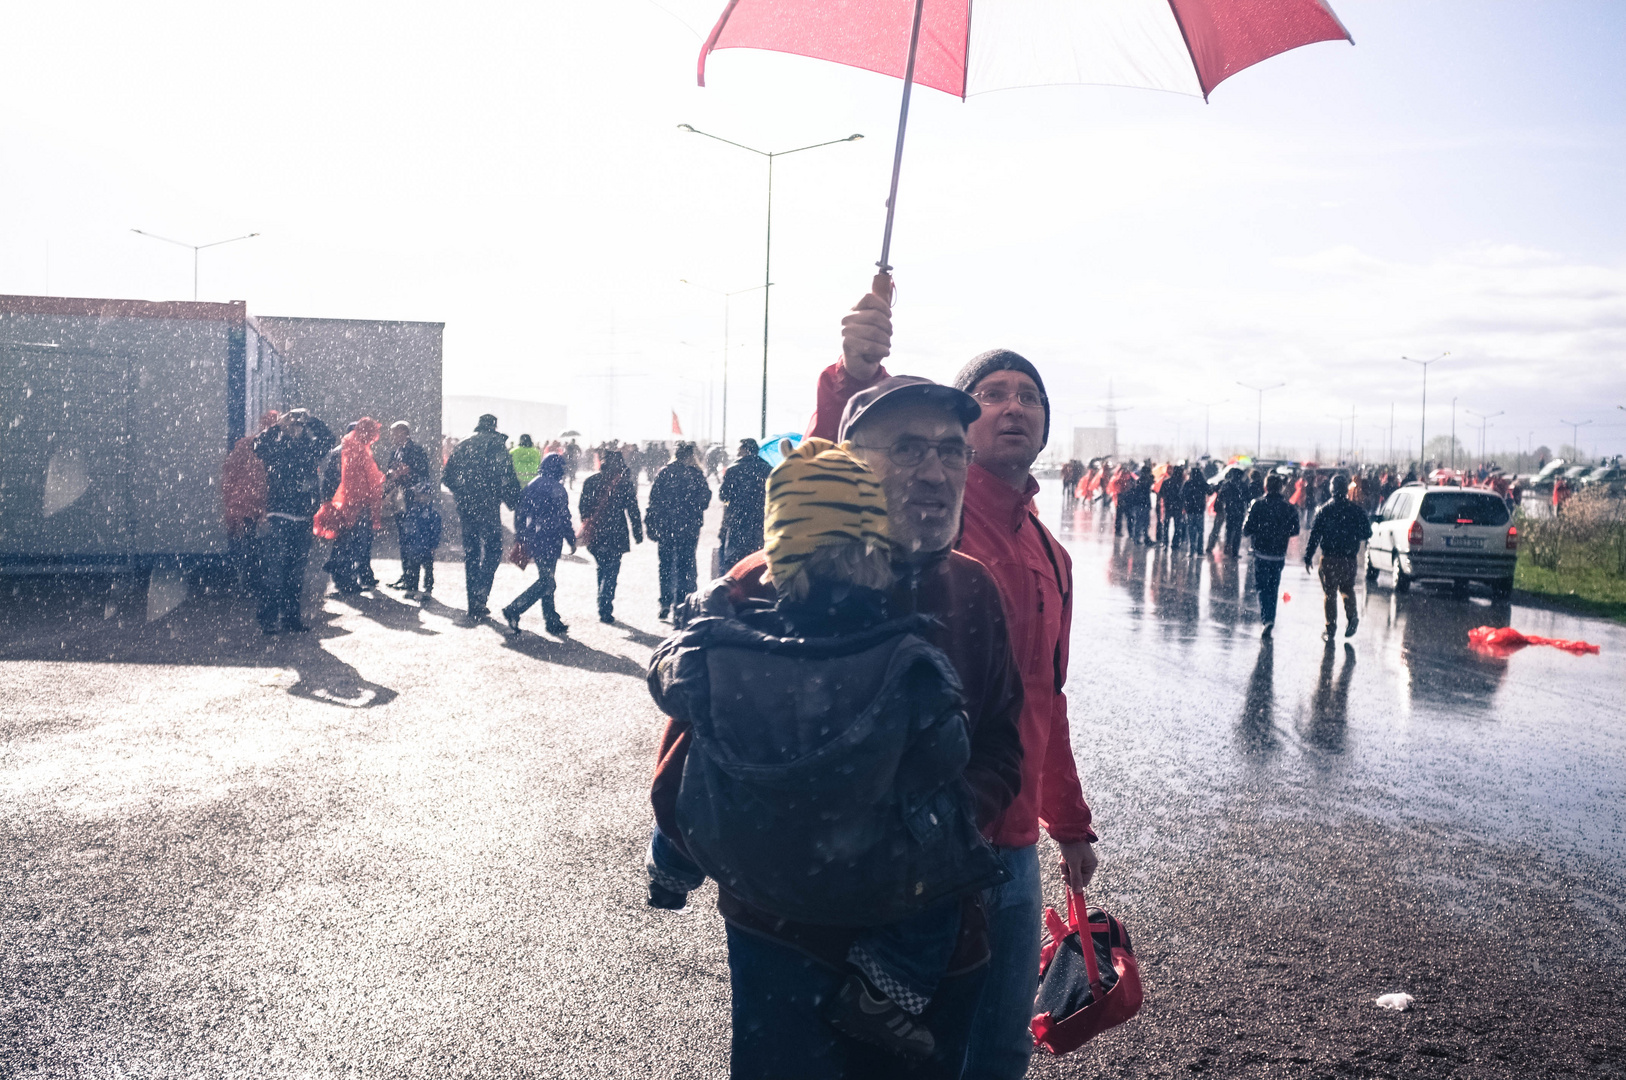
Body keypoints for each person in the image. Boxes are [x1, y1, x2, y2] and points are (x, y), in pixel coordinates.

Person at [651, 376, 1023, 1079]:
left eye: (951, 450)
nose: (935, 471)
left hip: (929, 942)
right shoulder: (759, 583)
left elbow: (1003, 738)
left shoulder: (973, 588)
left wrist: (931, 834)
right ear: (851, 460)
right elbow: (690, 745)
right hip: (782, 942)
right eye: (908, 448)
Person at [252, 408, 336, 633]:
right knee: (274, 571)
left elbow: (329, 439)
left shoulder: (309, 447)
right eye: (293, 425)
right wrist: (278, 426)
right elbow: (257, 446)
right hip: (279, 515)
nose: (296, 429)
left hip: (303, 516)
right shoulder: (275, 446)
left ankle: (290, 618)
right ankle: (268, 620)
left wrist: (311, 420)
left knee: (296, 572)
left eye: (299, 426)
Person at [442, 414, 523, 620]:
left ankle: (473, 602)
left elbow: (447, 477)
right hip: (488, 506)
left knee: (471, 551)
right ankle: (481, 593)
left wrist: (462, 493)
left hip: (466, 506)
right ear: (494, 427)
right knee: (494, 549)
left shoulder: (462, 443)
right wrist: (513, 500)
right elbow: (506, 475)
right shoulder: (496, 444)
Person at [503, 452, 575, 635]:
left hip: (534, 536)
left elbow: (520, 512)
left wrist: (520, 535)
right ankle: (515, 608)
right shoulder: (557, 489)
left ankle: (551, 620)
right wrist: (571, 539)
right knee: (547, 581)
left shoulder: (531, 485)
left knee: (547, 578)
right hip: (551, 538)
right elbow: (564, 517)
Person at [315, 418, 386, 595]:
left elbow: (330, 479)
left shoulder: (349, 451)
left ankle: (342, 575)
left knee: (346, 541)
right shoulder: (352, 451)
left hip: (345, 503)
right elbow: (339, 479)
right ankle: (344, 579)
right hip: (349, 504)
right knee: (349, 542)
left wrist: (329, 500)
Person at [645, 442, 713, 620]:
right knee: (685, 566)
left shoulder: (664, 473)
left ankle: (665, 603)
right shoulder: (695, 475)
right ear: (691, 455)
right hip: (689, 528)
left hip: (666, 527)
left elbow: (654, 501)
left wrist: (651, 523)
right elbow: (704, 501)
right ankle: (681, 606)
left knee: (665, 565)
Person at [1303, 471, 1372, 641]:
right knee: (1347, 589)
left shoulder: (1324, 510)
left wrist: (1308, 556)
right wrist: (1352, 536)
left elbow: (1315, 535)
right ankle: (1352, 616)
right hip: (1349, 558)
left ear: (1332, 489)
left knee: (1330, 593)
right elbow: (1367, 533)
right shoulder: (1356, 511)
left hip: (1329, 558)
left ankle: (1330, 629)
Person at [577, 447, 643, 623]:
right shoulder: (624, 483)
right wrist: (637, 532)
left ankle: (602, 601)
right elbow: (633, 510)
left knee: (602, 567)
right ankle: (605, 605)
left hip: (596, 532)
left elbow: (582, 508)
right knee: (611, 570)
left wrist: (589, 522)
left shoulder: (591, 481)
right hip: (617, 532)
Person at [1241, 472, 1300, 639]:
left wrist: (1261, 530)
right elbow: (1295, 529)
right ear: (1281, 487)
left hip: (1261, 553)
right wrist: (1281, 532)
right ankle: (1270, 618)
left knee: (1262, 588)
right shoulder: (1288, 507)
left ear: (1266, 487)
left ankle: (1266, 618)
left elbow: (1246, 529)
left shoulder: (1257, 505)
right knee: (1273, 588)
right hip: (1278, 554)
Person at [222, 410, 276, 589]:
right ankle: (254, 581)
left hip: (242, 504)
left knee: (245, 544)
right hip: (260, 505)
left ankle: (243, 580)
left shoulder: (246, 445)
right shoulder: (277, 446)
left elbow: (230, 473)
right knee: (259, 546)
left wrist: (230, 499)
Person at [383, 421, 432, 591]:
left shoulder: (416, 450)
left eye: (394, 433)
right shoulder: (395, 452)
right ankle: (406, 576)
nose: (391, 437)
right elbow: (389, 474)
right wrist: (391, 476)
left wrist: (408, 472)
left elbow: (424, 475)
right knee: (404, 541)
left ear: (404, 432)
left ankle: (414, 581)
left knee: (413, 541)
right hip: (399, 502)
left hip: (412, 503)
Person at [718, 438, 771, 569]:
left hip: (738, 520)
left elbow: (723, 495)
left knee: (737, 560)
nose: (737, 452)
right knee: (758, 558)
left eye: (739, 449)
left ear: (745, 450)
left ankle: (738, 586)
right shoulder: (768, 469)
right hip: (761, 520)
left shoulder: (733, 470)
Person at [1181, 464, 1211, 556]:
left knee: (1191, 531)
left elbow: (1182, 494)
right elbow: (1210, 491)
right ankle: (1200, 550)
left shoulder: (1188, 484)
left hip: (1190, 510)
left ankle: (1191, 550)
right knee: (1200, 531)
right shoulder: (1202, 483)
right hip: (1200, 510)